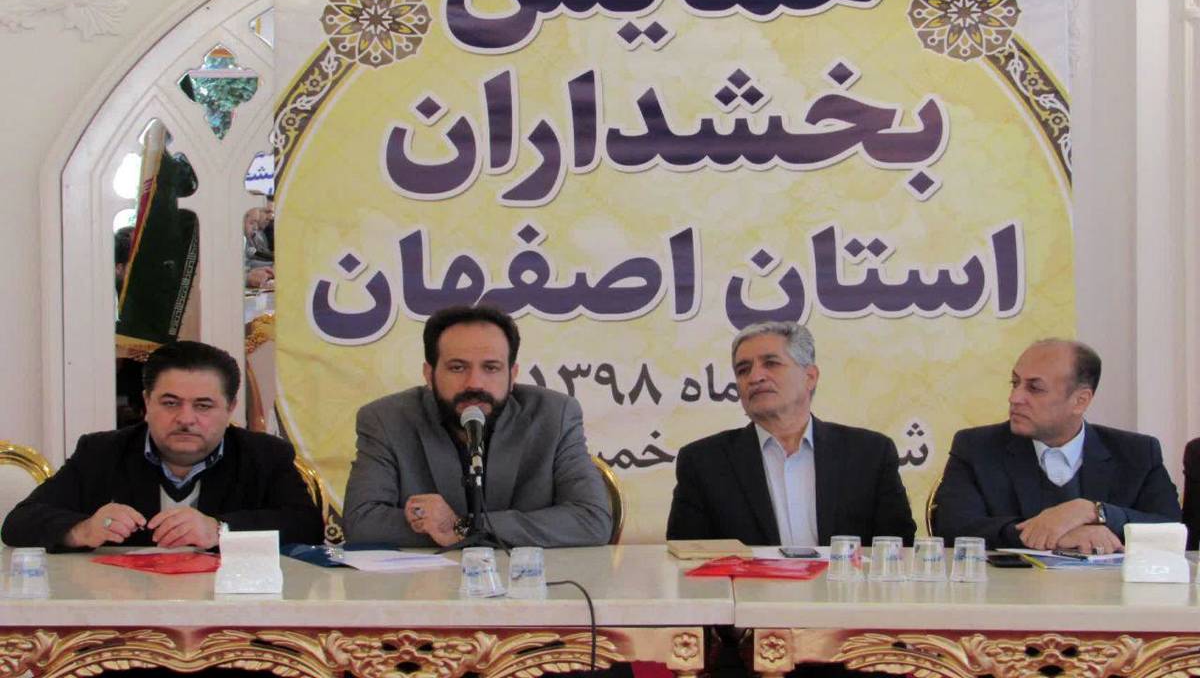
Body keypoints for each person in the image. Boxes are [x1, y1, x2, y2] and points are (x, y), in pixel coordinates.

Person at [2, 341, 323, 551]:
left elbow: (306, 528)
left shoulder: (264, 455)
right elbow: (19, 524)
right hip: (124, 613)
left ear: (230, 408)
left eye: (203, 406)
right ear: (146, 403)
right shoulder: (101, 452)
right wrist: (83, 530)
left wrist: (220, 530)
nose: (186, 418)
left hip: (229, 612)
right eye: (170, 403)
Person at [342, 305, 612, 548]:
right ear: (429, 374)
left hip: (528, 581)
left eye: (491, 368)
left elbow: (591, 519)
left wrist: (463, 527)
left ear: (512, 375)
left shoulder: (555, 416)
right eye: (457, 368)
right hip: (426, 583)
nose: (474, 383)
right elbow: (362, 523)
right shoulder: (386, 420)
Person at [666, 321, 916, 545]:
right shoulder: (704, 462)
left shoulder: (870, 454)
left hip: (844, 583)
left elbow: (899, 548)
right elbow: (687, 556)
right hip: (748, 584)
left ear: (810, 377)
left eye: (771, 363)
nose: (755, 377)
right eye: (743, 369)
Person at [933, 339, 1181, 553]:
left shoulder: (1137, 453)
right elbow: (954, 528)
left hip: (1110, 592)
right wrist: (1055, 535)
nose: (1015, 398)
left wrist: (1093, 511)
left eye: (1034, 388)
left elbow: (1173, 531)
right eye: (1015, 383)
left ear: (1080, 401)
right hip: (1009, 591)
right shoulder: (977, 448)